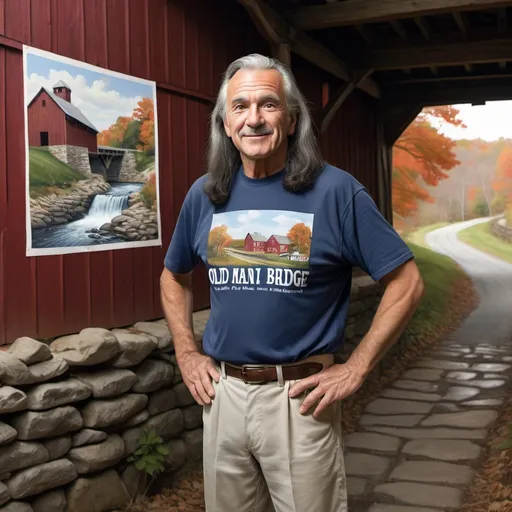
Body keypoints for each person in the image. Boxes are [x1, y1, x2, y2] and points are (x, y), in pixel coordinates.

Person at [160, 53, 424, 512]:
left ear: (292, 117)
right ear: (225, 124)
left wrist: (357, 367)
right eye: (240, 107)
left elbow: (407, 282)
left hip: (298, 401)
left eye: (268, 104)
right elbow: (173, 275)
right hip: (223, 396)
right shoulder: (204, 195)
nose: (254, 119)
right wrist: (186, 350)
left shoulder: (335, 191)